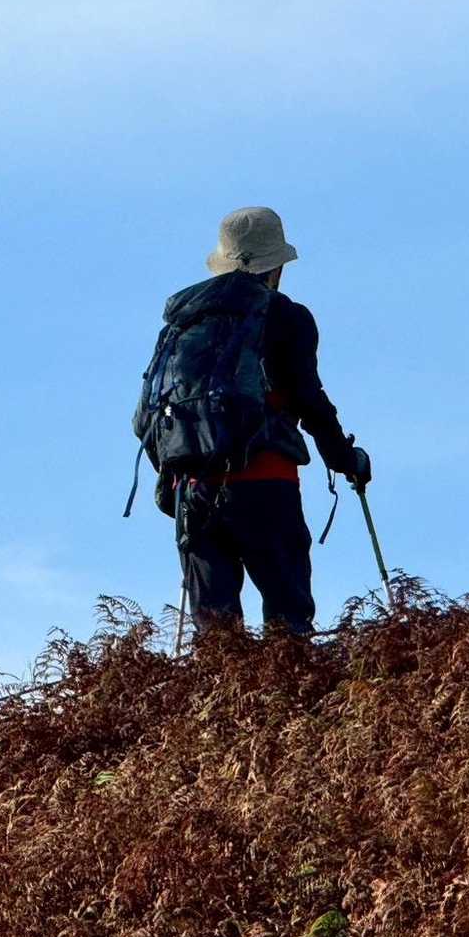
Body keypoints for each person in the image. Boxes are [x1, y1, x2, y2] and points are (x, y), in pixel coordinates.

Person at [151, 207, 372, 634]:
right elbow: (309, 399)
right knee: (288, 628)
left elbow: (150, 414)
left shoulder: (183, 322)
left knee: (217, 639)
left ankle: (221, 681)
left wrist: (173, 480)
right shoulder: (286, 317)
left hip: (194, 491)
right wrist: (347, 460)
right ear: (276, 267)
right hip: (267, 482)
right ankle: (288, 679)